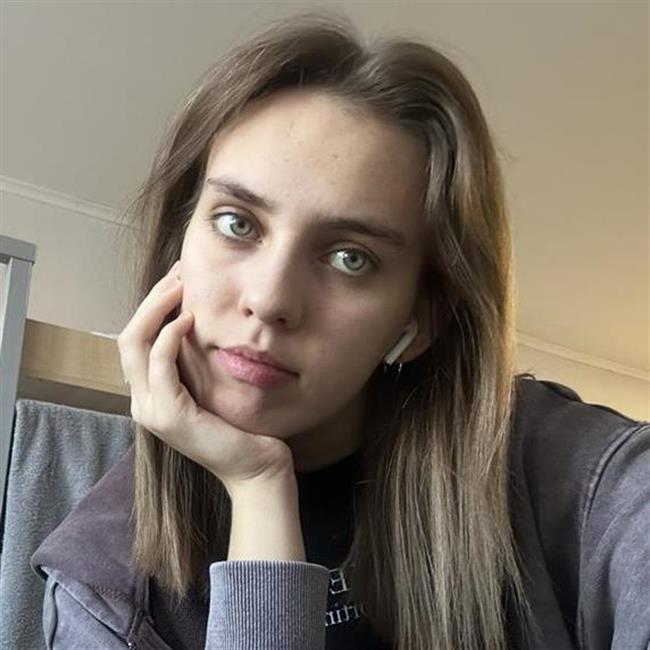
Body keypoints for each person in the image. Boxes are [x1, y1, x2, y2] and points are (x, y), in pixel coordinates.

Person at [30, 11, 649, 650]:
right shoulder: (102, 585)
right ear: (176, 246)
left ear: (421, 316)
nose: (270, 300)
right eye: (237, 223)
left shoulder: (577, 479)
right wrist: (258, 485)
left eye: (350, 257)